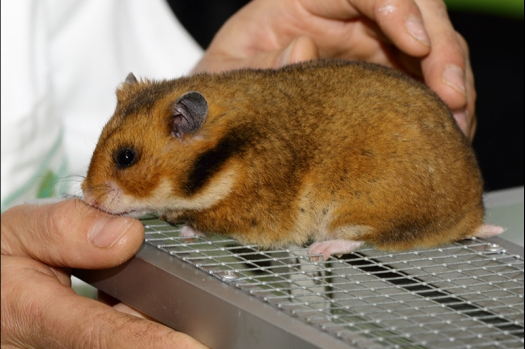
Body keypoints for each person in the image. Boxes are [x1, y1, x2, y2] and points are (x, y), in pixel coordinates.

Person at [1, 0, 475, 347]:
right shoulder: (209, 142)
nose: (94, 192)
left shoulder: (249, 150)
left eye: (125, 162)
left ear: (186, 122)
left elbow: (266, 221)